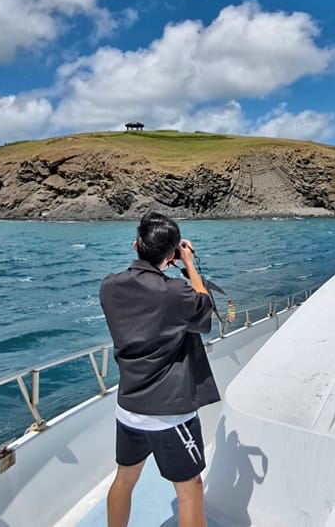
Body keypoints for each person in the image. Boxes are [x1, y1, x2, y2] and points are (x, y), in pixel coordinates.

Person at [99, 211, 220, 527]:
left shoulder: (109, 286)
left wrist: (170, 261)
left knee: (124, 479)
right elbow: (203, 310)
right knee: (190, 491)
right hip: (170, 413)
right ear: (171, 253)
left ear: (135, 245)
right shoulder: (176, 292)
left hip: (129, 408)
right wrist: (189, 264)